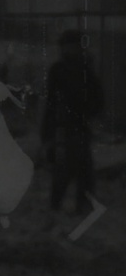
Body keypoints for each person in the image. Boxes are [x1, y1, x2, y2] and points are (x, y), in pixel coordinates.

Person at [42, 29, 104, 215]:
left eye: (71, 46)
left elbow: (98, 100)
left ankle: (78, 206)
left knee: (82, 168)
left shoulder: (86, 69)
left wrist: (88, 113)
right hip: (65, 125)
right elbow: (52, 102)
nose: (68, 49)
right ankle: (59, 204)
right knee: (67, 167)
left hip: (79, 125)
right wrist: (48, 130)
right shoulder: (60, 70)